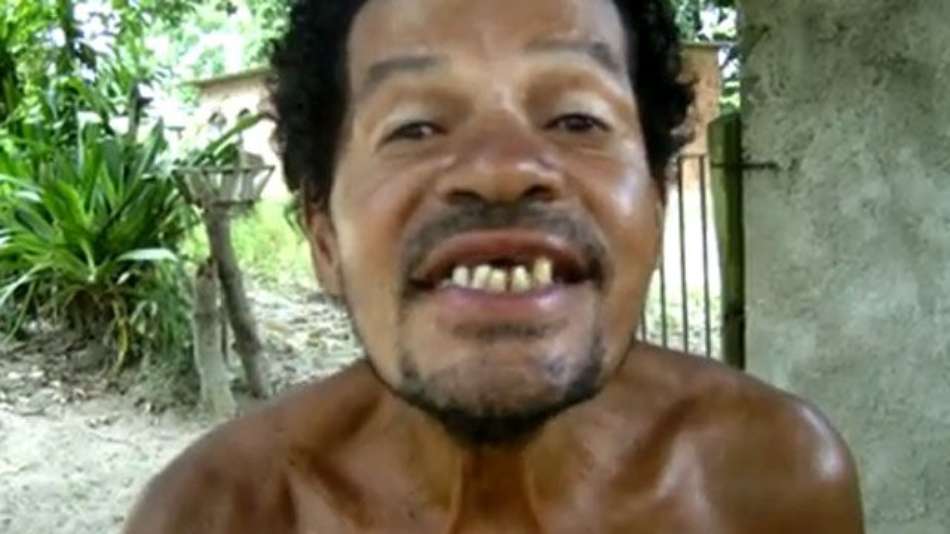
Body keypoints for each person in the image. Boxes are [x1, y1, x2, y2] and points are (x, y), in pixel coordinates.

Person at [123, 0, 865, 532]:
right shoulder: (215, 515)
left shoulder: (773, 484)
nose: (502, 168)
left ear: (657, 205)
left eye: (576, 119)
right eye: (415, 126)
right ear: (324, 237)